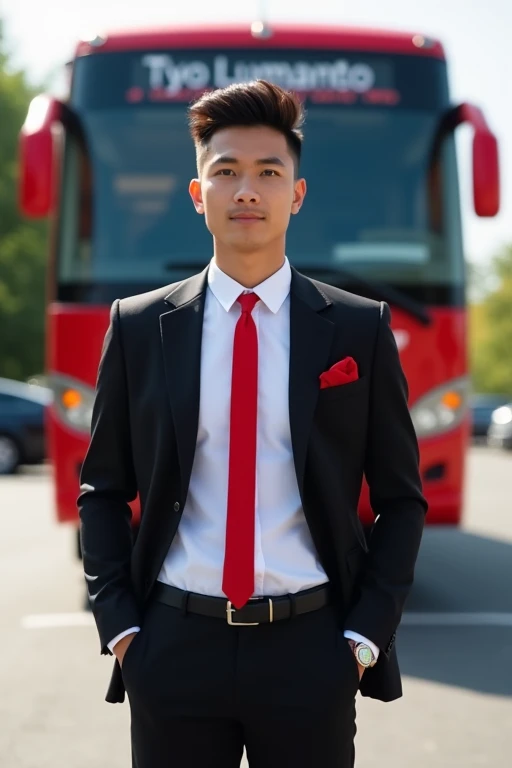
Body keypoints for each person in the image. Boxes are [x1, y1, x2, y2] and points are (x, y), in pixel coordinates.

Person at [78, 79, 427, 768]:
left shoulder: (357, 329)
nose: (247, 191)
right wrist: (121, 627)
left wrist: (364, 636)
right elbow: (103, 491)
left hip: (312, 648)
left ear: (296, 195)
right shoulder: (141, 326)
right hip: (173, 644)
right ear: (197, 193)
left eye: (269, 173)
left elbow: (401, 499)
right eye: (226, 172)